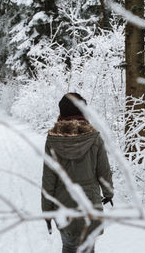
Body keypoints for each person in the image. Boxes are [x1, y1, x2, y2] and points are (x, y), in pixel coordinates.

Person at [41, 93, 114, 253]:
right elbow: (103, 171)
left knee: (68, 247)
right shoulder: (94, 138)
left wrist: (47, 212)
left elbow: (48, 179)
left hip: (63, 205)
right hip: (89, 203)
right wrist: (108, 193)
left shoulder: (52, 140)